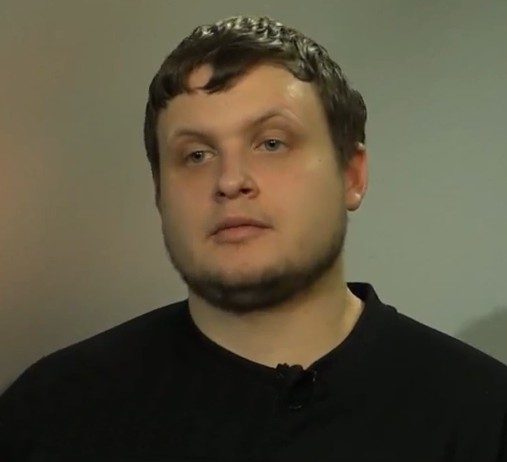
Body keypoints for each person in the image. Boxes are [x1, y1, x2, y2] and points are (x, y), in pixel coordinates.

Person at [1, 14, 506, 462]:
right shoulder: (49, 413)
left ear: (351, 175)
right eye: (196, 155)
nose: (230, 180)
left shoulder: (482, 417)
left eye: (271, 143)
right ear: (159, 195)